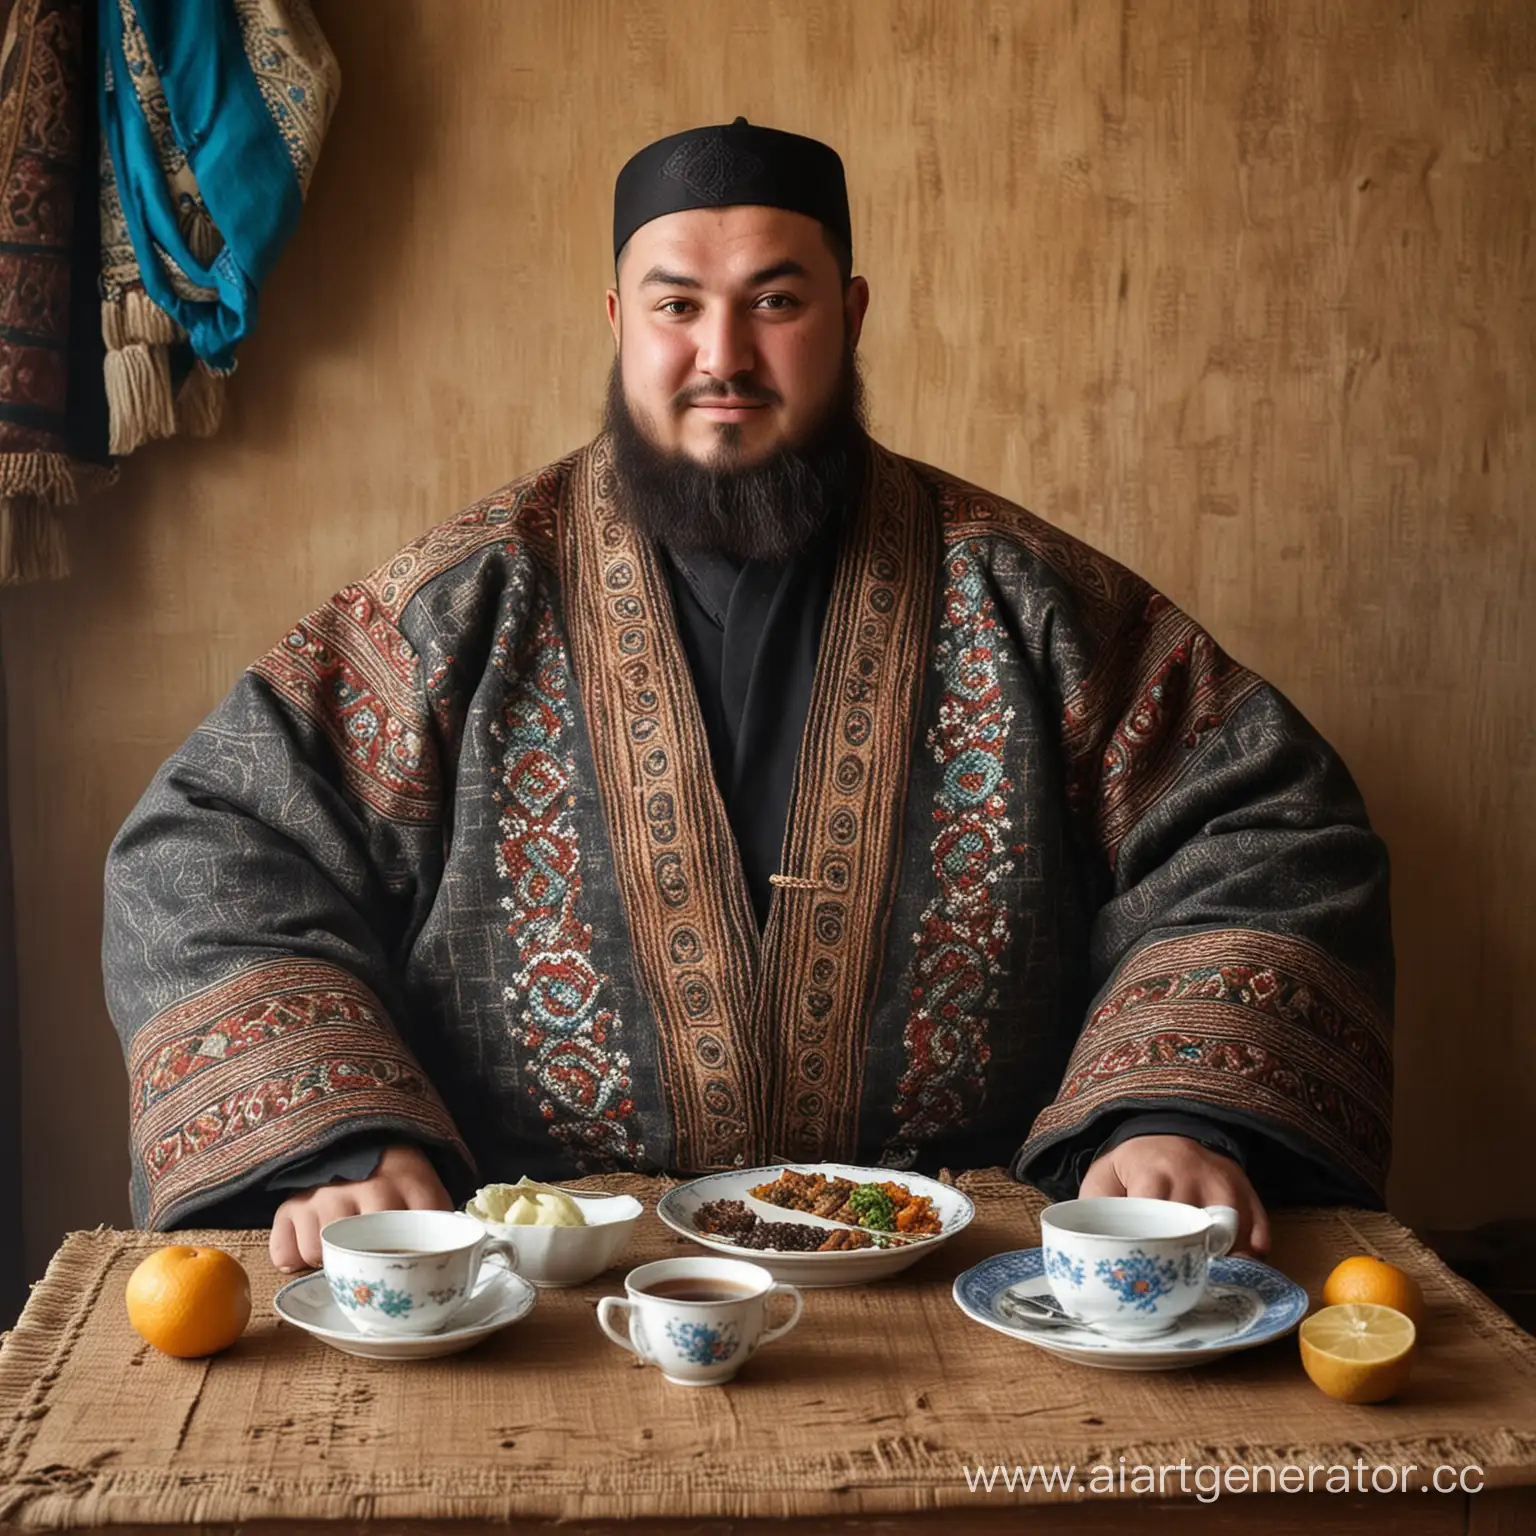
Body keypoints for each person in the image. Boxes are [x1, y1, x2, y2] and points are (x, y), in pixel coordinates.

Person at [104, 119, 1393, 1274]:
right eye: (678, 306)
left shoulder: (1024, 596)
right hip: (543, 1277)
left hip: (970, 1271)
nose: (724, 355)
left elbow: (1264, 822)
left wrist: (1169, 1110)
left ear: (851, 312)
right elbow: (211, 846)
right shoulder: (466, 603)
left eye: (775, 301)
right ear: (617, 318)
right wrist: (341, 1134)